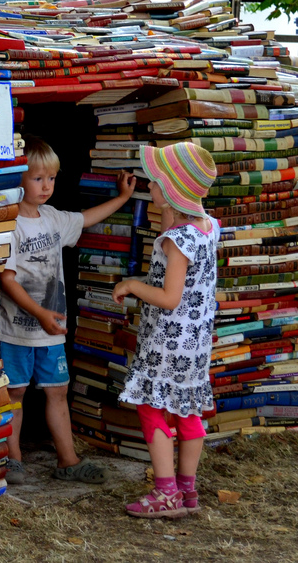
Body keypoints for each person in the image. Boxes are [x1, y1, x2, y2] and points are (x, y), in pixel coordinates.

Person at [0, 136, 135, 485]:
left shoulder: (53, 218)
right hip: (15, 329)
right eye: (37, 178)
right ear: (19, 179)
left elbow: (85, 218)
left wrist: (121, 198)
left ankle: (68, 460)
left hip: (51, 330)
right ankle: (12, 458)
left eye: (52, 178)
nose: (46, 186)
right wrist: (40, 315)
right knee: (14, 393)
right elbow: (7, 281)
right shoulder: (10, 223)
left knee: (58, 390)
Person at [112, 142, 218, 518]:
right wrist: (168, 209)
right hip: (196, 343)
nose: (148, 187)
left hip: (167, 342)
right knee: (187, 409)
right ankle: (188, 492)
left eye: (156, 182)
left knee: (152, 407)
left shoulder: (178, 240)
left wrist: (131, 285)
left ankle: (165, 492)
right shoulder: (208, 228)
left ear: (172, 189)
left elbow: (170, 297)